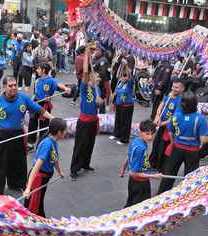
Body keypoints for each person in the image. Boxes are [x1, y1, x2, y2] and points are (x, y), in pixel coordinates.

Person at [0, 76, 53, 196]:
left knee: (18, 161)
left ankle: (17, 184)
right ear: (4, 87)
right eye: (10, 86)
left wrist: (52, 118)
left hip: (17, 134)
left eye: (15, 85)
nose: (13, 88)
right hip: (2, 135)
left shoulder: (23, 98)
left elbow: (39, 110)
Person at [157, 91, 208, 195]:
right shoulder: (200, 119)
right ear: (195, 104)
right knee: (190, 178)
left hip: (176, 149)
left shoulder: (176, 116)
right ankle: (187, 197)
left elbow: (170, 132)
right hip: (192, 152)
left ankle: (161, 196)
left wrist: (173, 143)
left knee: (169, 174)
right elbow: (203, 140)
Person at [69, 43, 103, 180]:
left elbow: (99, 105)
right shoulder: (85, 86)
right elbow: (84, 72)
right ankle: (74, 169)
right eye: (96, 77)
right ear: (91, 78)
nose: (98, 78)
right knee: (80, 146)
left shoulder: (97, 89)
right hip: (83, 121)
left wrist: (100, 103)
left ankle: (85, 164)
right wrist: (88, 53)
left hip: (93, 121)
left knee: (90, 144)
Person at [23, 117, 67, 217]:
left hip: (44, 178)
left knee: (38, 202)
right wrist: (28, 188)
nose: (66, 132)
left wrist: (59, 172)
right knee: (34, 206)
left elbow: (54, 159)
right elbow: (36, 167)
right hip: (38, 179)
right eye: (65, 130)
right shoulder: (47, 144)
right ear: (59, 132)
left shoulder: (53, 141)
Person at [119, 120, 161, 207]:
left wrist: (123, 168)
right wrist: (154, 176)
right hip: (140, 183)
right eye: (147, 134)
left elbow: (129, 155)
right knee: (139, 207)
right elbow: (133, 172)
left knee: (130, 202)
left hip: (133, 181)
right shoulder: (140, 148)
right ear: (140, 132)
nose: (150, 137)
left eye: (152, 134)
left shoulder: (136, 141)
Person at [28, 63, 70, 149]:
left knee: (44, 125)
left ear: (43, 70)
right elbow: (35, 93)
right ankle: (31, 143)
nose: (37, 70)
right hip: (36, 103)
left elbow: (59, 84)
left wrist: (65, 88)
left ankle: (42, 144)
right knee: (32, 123)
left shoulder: (51, 80)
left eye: (38, 69)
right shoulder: (37, 80)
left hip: (45, 105)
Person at [149, 78, 186, 172]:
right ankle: (152, 164)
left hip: (169, 129)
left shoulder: (181, 101)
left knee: (163, 148)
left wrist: (162, 123)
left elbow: (174, 118)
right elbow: (161, 105)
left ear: (182, 89)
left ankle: (161, 169)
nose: (174, 89)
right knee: (156, 144)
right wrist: (157, 116)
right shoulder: (169, 95)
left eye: (177, 87)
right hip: (161, 124)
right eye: (173, 86)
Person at [109, 67, 134, 145]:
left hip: (127, 106)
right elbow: (116, 93)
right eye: (122, 76)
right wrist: (113, 103)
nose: (123, 77)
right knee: (118, 120)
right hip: (119, 105)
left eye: (125, 76)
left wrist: (127, 67)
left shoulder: (129, 84)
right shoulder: (119, 83)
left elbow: (130, 77)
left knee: (125, 122)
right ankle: (117, 134)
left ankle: (124, 139)